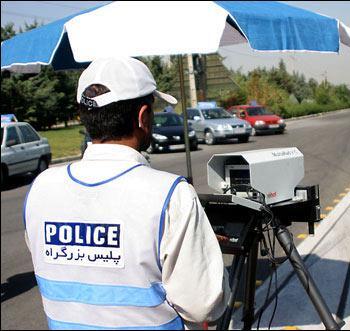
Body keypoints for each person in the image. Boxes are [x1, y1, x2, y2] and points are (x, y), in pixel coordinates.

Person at [23, 57, 229, 330]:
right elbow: (203, 305)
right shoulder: (170, 195)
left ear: (85, 117)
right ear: (143, 117)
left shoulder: (40, 188)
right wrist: (203, 252)